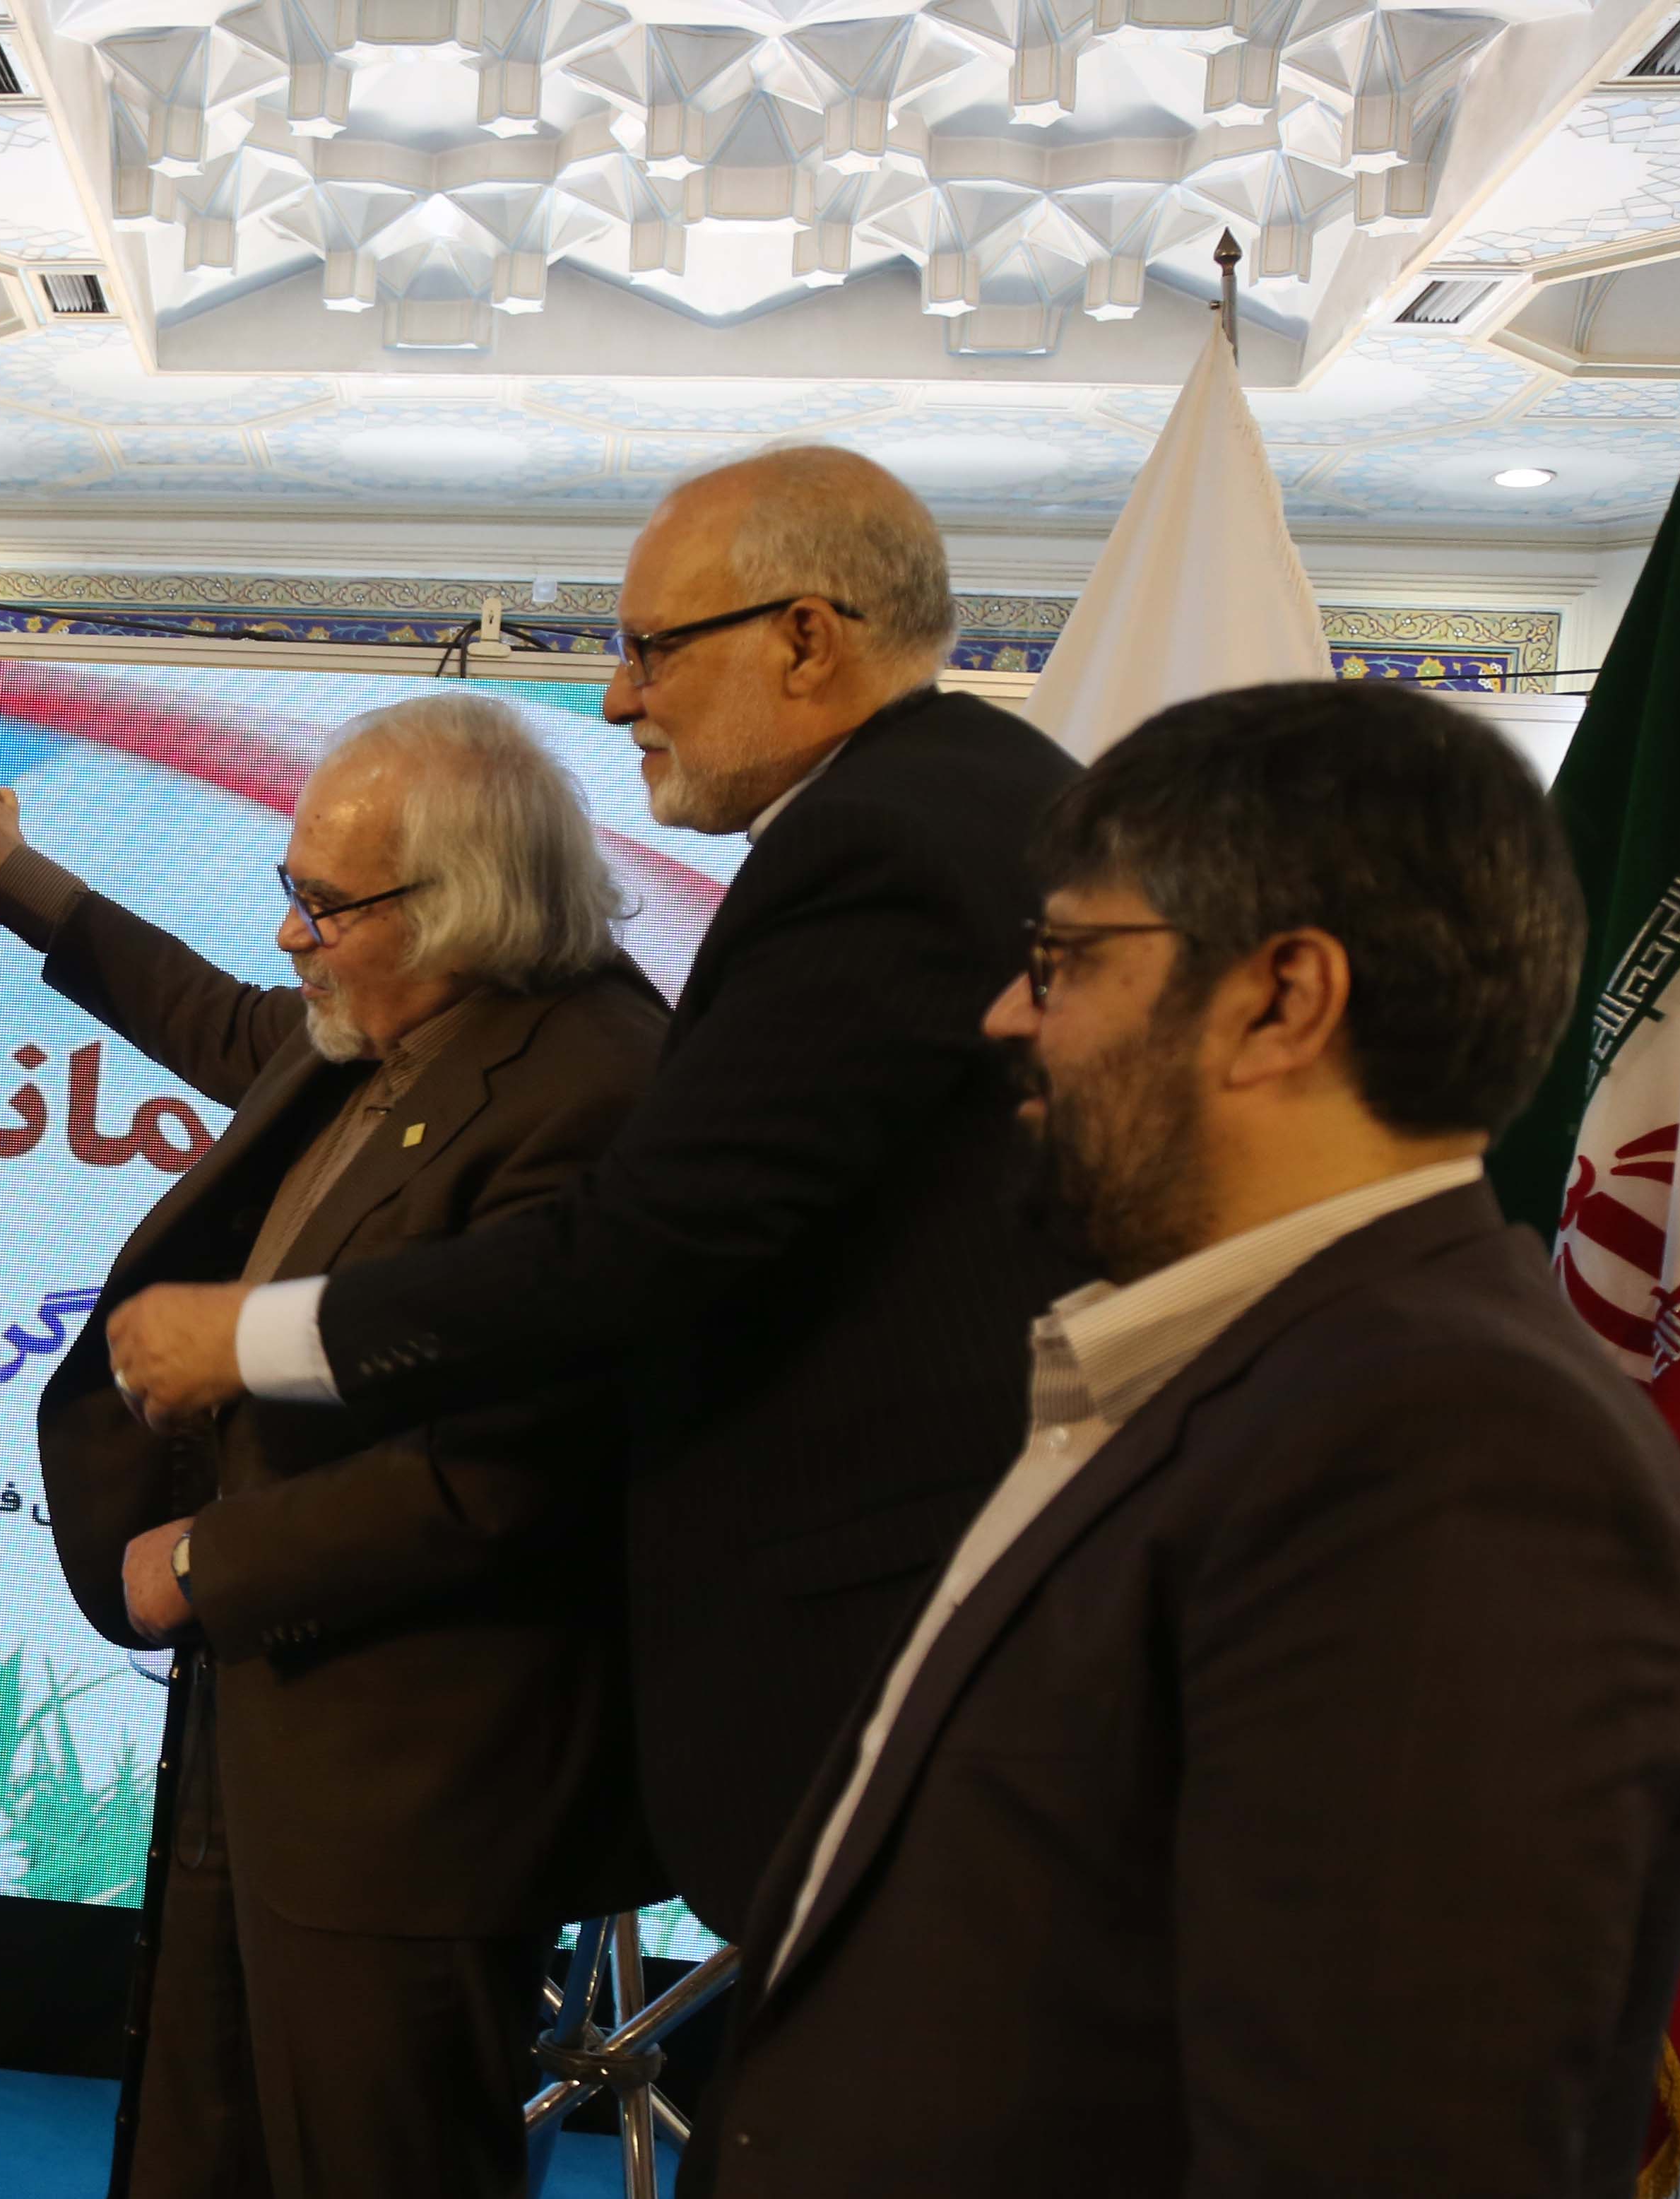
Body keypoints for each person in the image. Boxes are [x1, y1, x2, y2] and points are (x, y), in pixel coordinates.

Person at [664, 680, 1680, 2199]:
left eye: (1062, 961)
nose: (1007, 1019)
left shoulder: (1441, 1452)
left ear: (1278, 1000)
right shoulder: (1242, 1379)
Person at [0, 695, 668, 2199]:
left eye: (326, 908)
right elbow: (236, 1040)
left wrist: (208, 1567)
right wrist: (20, 879)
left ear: (469, 897)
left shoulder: (592, 1088)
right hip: (280, 1701)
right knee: (212, 2123)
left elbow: (518, 1472)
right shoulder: (392, 1028)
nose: (291, 945)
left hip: (429, 1733)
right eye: (292, 894)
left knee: (387, 2184)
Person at [97, 446, 1083, 1944]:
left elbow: (647, 1253)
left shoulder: (866, 849)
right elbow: (249, 1038)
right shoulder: (966, 799)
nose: (621, 699)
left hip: (837, 1662)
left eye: (647, 650)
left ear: (806, 638)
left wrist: (250, 1342)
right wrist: (27, 883)